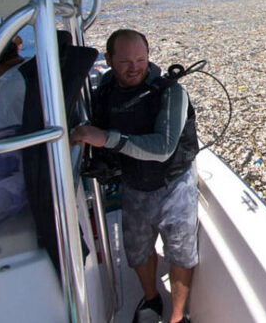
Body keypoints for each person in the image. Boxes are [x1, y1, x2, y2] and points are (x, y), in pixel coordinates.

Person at [70, 29, 200, 323]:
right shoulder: (106, 88)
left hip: (174, 185)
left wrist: (105, 138)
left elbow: (163, 147)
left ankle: (177, 317)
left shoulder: (171, 92)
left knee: (181, 252)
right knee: (138, 251)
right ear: (109, 60)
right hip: (133, 184)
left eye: (141, 59)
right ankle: (151, 298)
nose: (134, 67)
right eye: (126, 61)